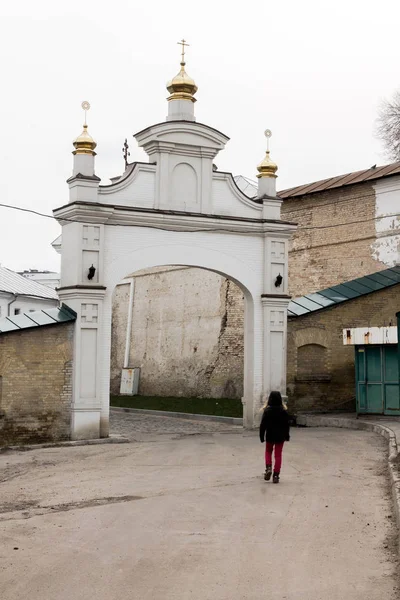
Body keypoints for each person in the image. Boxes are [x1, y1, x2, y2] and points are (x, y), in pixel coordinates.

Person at [259, 391, 290, 484]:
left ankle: (268, 468)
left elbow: (263, 425)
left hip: (270, 435)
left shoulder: (267, 411)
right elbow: (286, 425)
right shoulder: (283, 411)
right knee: (278, 455)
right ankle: (276, 475)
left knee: (268, 451)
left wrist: (261, 436)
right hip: (280, 436)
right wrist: (287, 435)